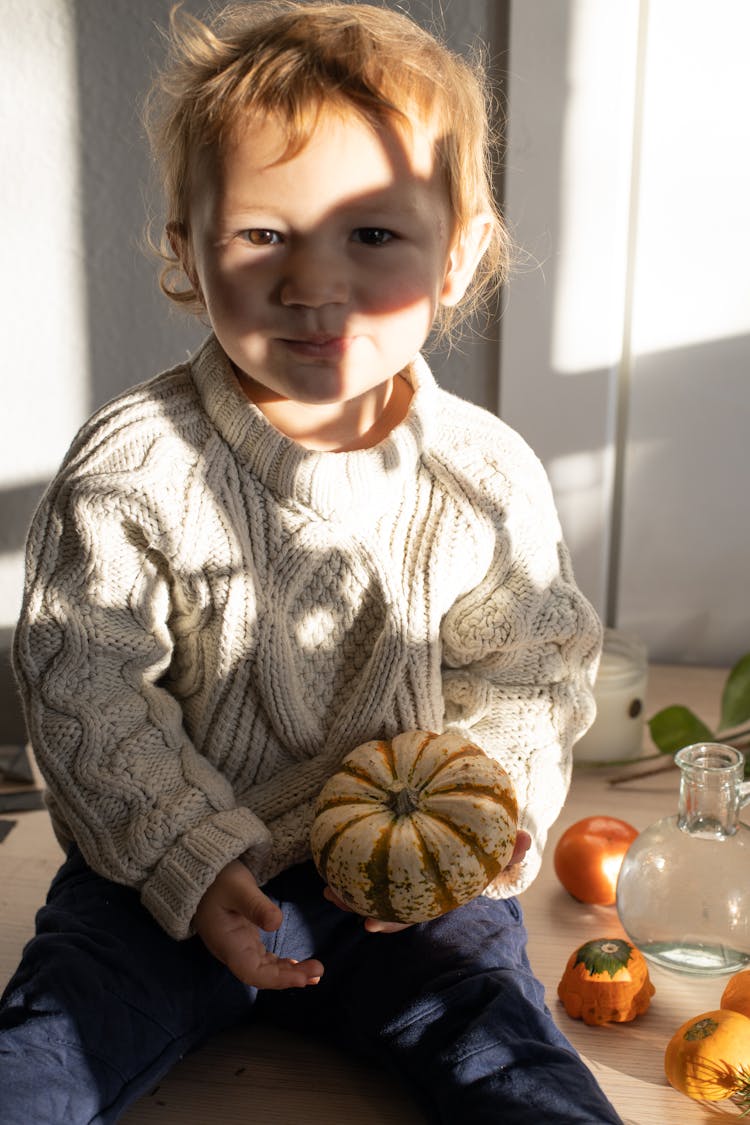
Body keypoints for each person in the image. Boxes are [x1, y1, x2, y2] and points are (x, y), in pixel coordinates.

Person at [0, 3, 623, 1122]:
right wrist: (186, 860)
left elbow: (527, 674)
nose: (312, 282)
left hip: (406, 894)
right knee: (38, 1066)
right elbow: (83, 686)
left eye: (372, 235)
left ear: (459, 252)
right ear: (187, 250)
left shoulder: (484, 474)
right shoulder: (136, 465)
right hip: (167, 877)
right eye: (262, 235)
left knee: (520, 1073)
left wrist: (488, 818)